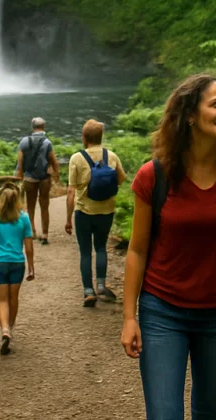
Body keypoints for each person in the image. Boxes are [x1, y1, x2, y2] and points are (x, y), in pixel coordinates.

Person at [121, 74, 216, 420]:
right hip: (162, 312)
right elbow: (137, 250)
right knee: (164, 414)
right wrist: (129, 317)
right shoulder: (153, 176)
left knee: (207, 412)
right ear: (189, 115)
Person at [65, 118, 127, 307]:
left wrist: (68, 219)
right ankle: (101, 284)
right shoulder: (112, 156)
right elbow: (121, 179)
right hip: (106, 211)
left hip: (83, 212)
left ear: (84, 138)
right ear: (101, 137)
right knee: (100, 248)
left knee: (85, 252)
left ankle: (88, 291)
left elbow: (70, 191)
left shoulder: (77, 158)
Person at [0, 182, 35, 354]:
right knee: (13, 298)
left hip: (0, 263)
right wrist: (31, 268)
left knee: (2, 299)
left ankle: (4, 330)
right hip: (17, 263)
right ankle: (11, 328)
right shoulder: (23, 218)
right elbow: (29, 247)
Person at [15, 117, 60, 244]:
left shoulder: (24, 141)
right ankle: (45, 234)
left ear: (32, 127)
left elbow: (20, 161)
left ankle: (32, 231)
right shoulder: (47, 143)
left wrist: (20, 175)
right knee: (44, 206)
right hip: (44, 178)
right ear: (44, 127)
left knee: (30, 206)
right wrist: (56, 175)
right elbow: (53, 161)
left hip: (29, 178)